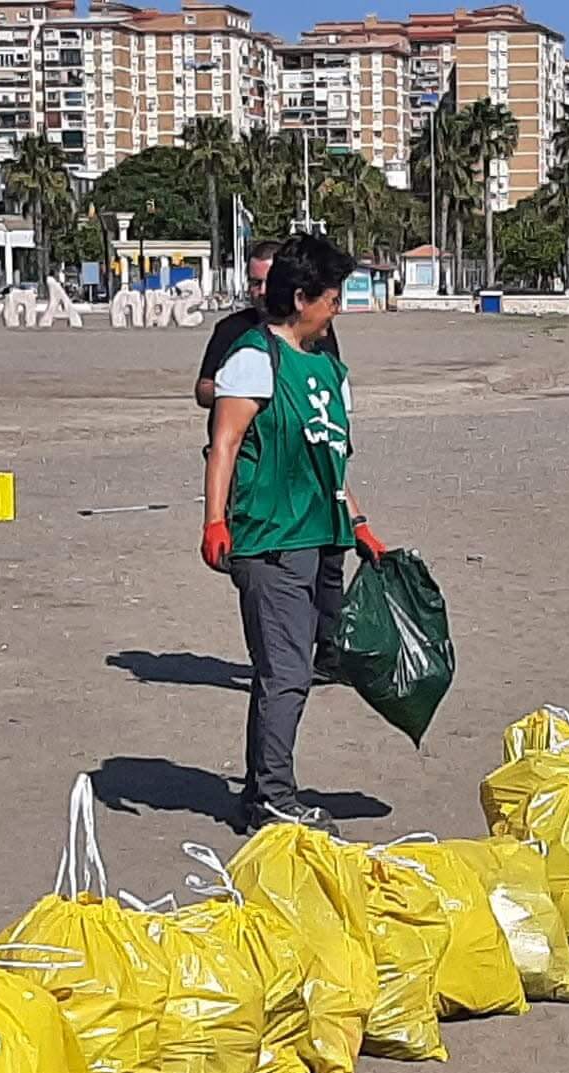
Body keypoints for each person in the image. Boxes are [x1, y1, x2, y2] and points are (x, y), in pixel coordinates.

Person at [202, 235, 389, 835]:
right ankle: (274, 798)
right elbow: (225, 442)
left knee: (292, 670)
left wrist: (359, 525)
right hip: (267, 539)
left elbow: (329, 461)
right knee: (284, 673)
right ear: (302, 297)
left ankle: (264, 792)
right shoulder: (255, 358)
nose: (337, 309)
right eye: (332, 298)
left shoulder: (331, 370)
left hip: (317, 536)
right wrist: (213, 520)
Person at [194, 240, 340, 411]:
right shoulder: (230, 328)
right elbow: (203, 389)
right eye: (255, 283)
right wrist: (239, 391)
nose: (262, 291)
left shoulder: (314, 329)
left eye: (268, 282)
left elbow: (332, 382)